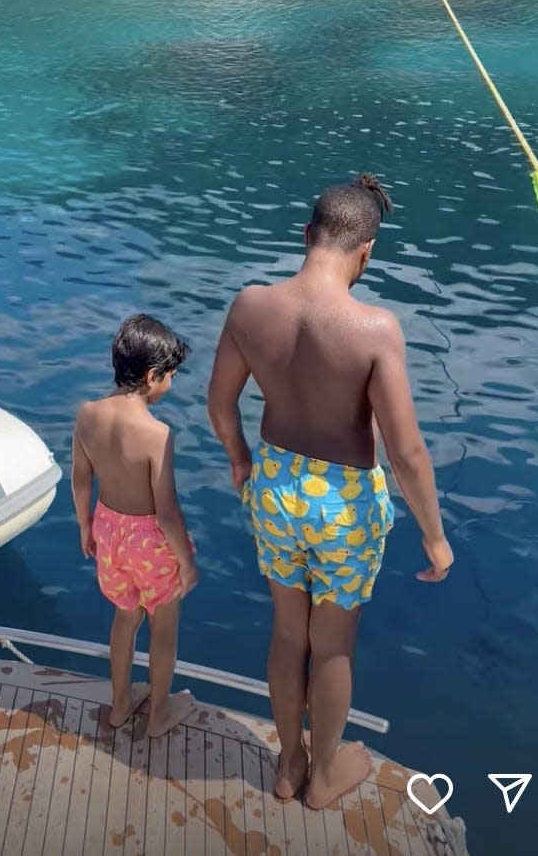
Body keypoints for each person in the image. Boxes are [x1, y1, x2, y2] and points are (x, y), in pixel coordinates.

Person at [208, 174, 454, 809]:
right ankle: (321, 779)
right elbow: (405, 452)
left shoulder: (250, 306)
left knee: (288, 634)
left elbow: (219, 403)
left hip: (274, 489)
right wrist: (434, 536)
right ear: (366, 251)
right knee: (334, 643)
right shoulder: (374, 329)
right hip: (343, 507)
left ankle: (287, 764)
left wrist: (240, 460)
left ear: (306, 235)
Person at [72, 312, 198, 736]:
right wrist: (187, 561)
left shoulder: (87, 414)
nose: (171, 384)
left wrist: (84, 527)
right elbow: (166, 512)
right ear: (151, 376)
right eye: (171, 376)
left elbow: (79, 477)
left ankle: (121, 703)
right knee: (163, 627)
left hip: (108, 531)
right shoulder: (155, 433)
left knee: (125, 616)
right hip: (149, 543)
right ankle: (159, 714)